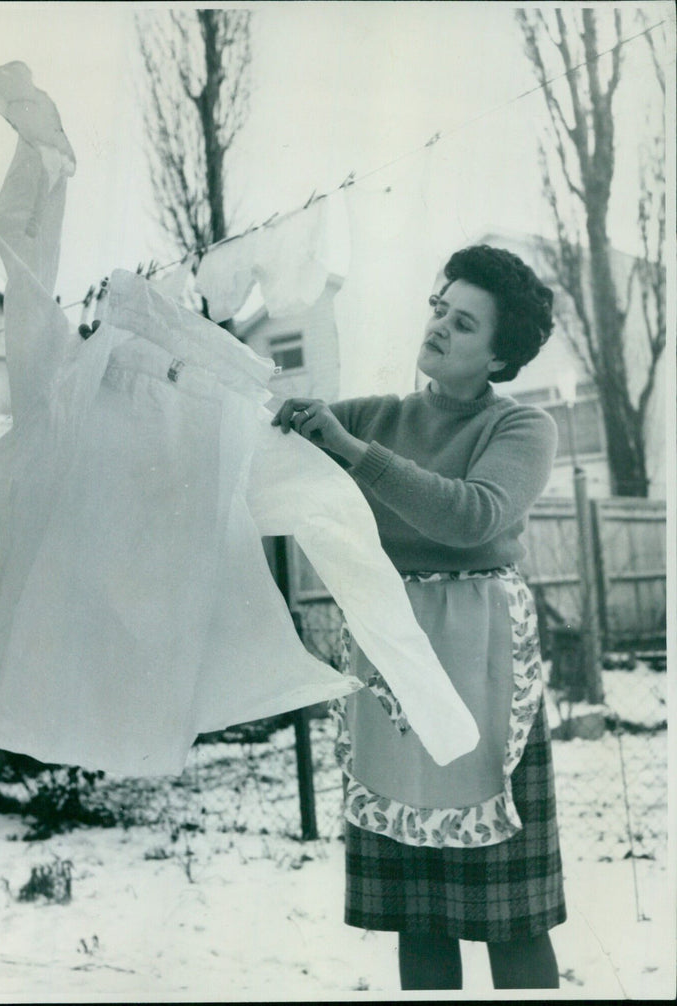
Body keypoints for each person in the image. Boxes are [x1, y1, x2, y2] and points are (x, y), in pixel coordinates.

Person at [271, 244, 566, 991]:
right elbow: (262, 451)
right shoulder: (375, 416)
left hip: (481, 663)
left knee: (512, 913)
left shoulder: (522, 429)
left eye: (463, 323)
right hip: (390, 670)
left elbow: (475, 516)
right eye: (439, 309)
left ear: (499, 355)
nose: (437, 327)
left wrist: (350, 453)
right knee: (420, 909)